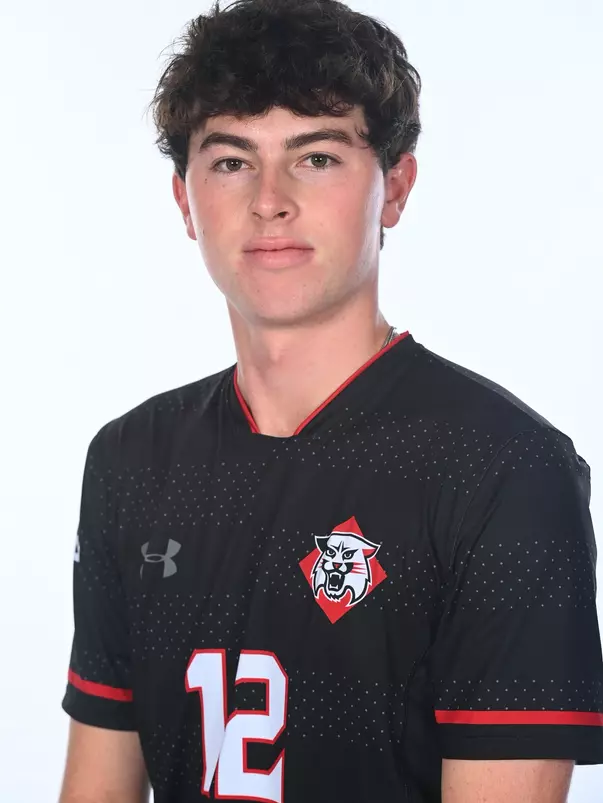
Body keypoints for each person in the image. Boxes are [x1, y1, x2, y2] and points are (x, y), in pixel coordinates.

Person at [58, 1, 603, 801]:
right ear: (185, 200)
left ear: (395, 188)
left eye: (315, 159)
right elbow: (95, 787)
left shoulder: (504, 470)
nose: (269, 200)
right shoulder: (131, 458)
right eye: (231, 161)